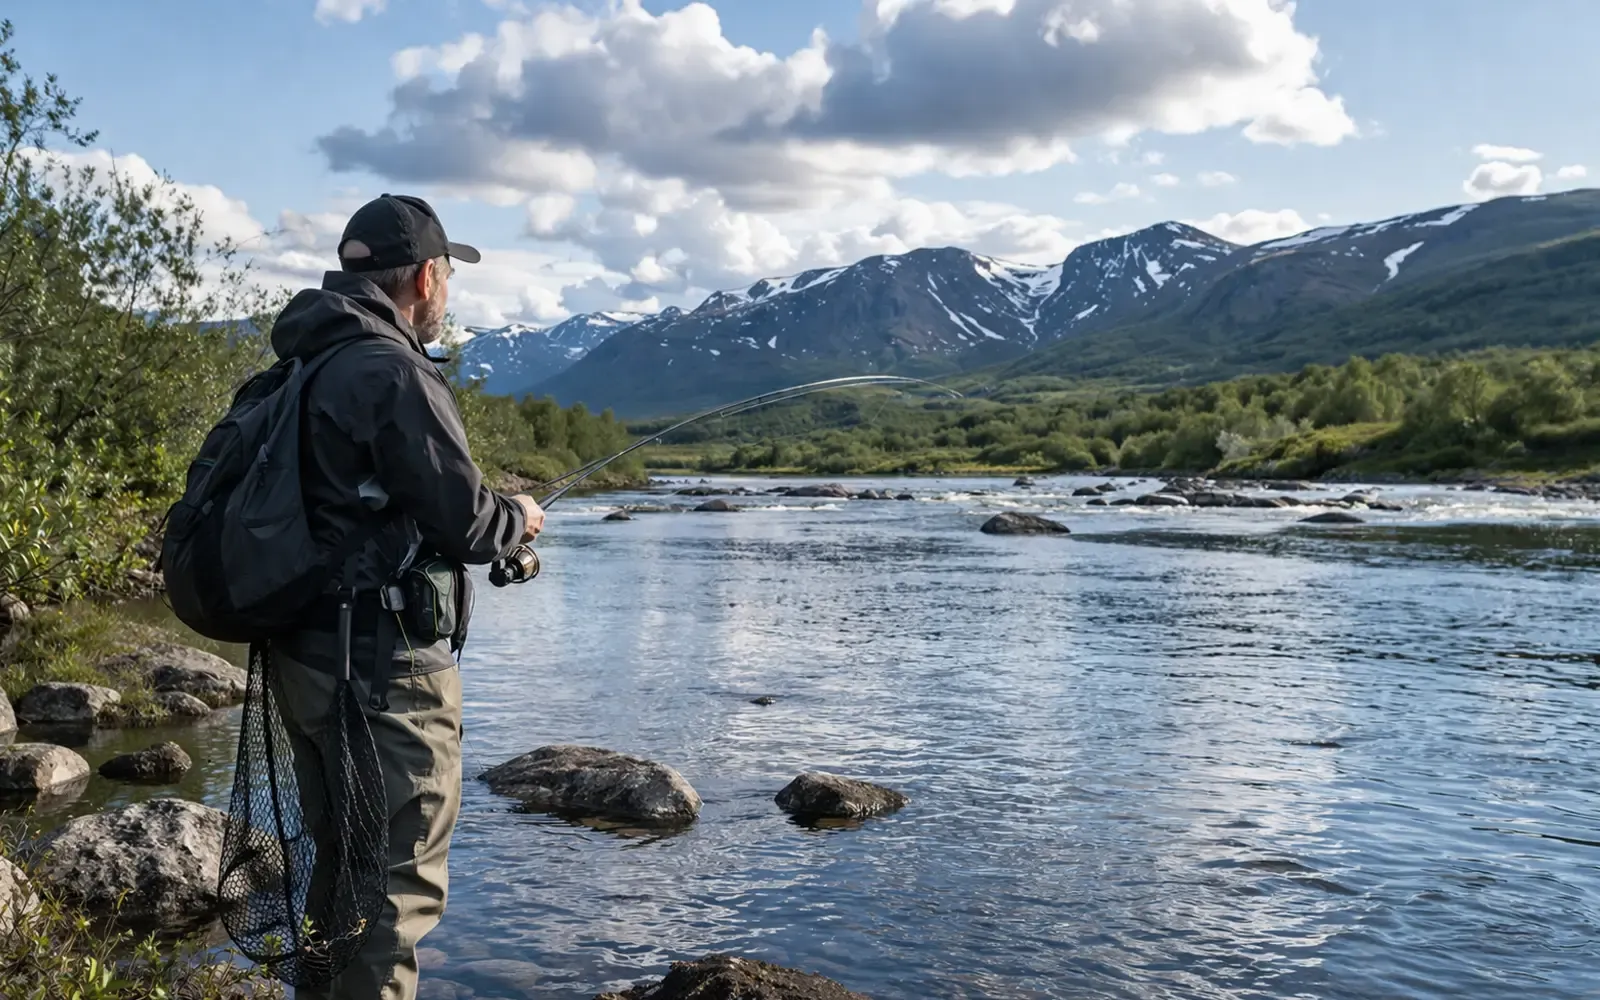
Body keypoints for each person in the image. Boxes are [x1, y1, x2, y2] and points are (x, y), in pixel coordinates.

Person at [263, 193, 544, 999]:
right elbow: (466, 523)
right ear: (426, 276)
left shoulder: (305, 359)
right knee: (393, 892)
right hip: (384, 676)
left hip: (307, 660)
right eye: (448, 275)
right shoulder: (392, 369)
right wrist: (519, 516)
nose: (447, 291)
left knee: (342, 872)